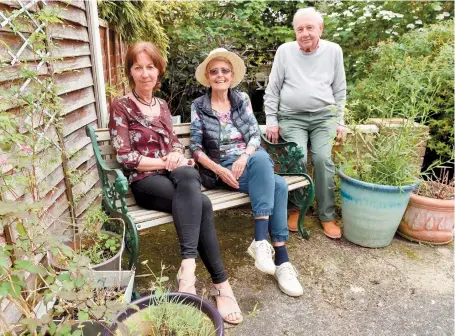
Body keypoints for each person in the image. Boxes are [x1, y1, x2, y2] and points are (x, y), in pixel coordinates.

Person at [108, 42, 242, 325]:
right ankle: (221, 285)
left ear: (159, 71)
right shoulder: (121, 106)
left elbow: (173, 144)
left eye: (150, 67)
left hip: (176, 179)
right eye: (138, 67)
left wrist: (178, 155)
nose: (145, 74)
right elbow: (125, 156)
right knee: (202, 203)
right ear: (130, 72)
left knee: (191, 180)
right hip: (145, 181)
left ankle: (188, 270)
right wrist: (165, 162)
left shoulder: (163, 106)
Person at [190, 48, 304, 297]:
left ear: (231, 75)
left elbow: (254, 135)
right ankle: (273, 251)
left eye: (225, 71)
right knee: (273, 177)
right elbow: (196, 148)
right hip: (221, 171)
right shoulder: (198, 106)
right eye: (214, 71)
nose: (220, 75)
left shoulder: (241, 99)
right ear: (208, 76)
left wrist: (244, 156)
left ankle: (274, 254)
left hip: (249, 162)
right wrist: (219, 169)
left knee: (271, 174)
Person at [264, 7, 347, 239]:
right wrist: (271, 120)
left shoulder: (333, 51)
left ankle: (327, 215)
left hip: (324, 117)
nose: (305, 33)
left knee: (322, 159)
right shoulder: (285, 51)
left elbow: (339, 90)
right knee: (296, 157)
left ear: (320, 28)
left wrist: (340, 120)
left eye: (310, 27)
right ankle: (295, 209)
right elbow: (273, 90)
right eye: (300, 29)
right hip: (291, 116)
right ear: (294, 31)